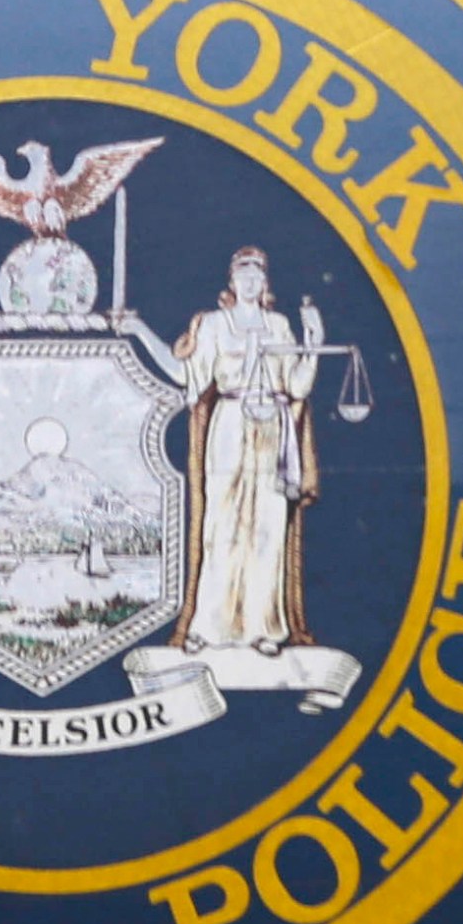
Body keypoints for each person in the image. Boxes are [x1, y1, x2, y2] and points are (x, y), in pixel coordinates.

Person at [124, 247, 322, 654]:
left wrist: (314, 344)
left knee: (267, 526)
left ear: (265, 282)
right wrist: (139, 330)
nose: (250, 280)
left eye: (257, 273)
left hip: (273, 427)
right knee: (221, 525)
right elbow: (186, 374)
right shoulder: (214, 325)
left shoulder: (280, 326)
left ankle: (264, 628)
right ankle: (210, 627)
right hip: (230, 423)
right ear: (231, 281)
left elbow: (298, 385)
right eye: (242, 272)